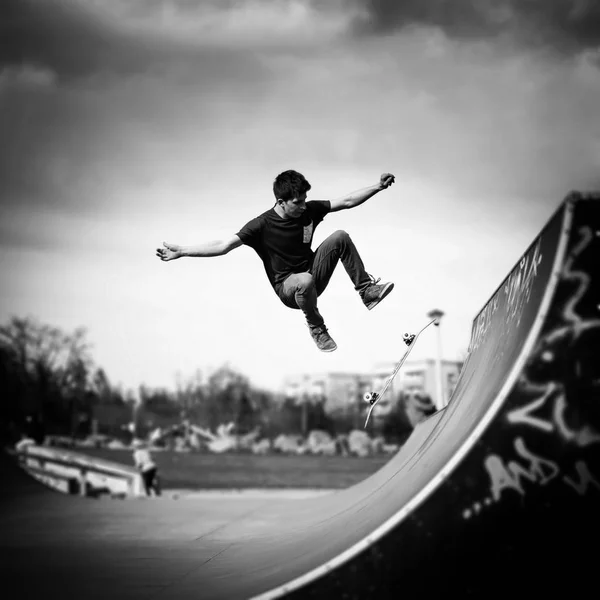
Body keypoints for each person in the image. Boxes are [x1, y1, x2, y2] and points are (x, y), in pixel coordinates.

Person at [156, 170, 396, 352]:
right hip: (289, 288)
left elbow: (346, 201)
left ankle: (367, 291)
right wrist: (183, 251)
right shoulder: (260, 225)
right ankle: (316, 327)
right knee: (304, 280)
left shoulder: (308, 210)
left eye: (305, 200)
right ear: (281, 202)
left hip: (313, 273)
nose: (304, 207)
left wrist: (378, 186)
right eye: (297, 203)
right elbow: (223, 246)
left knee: (340, 237)